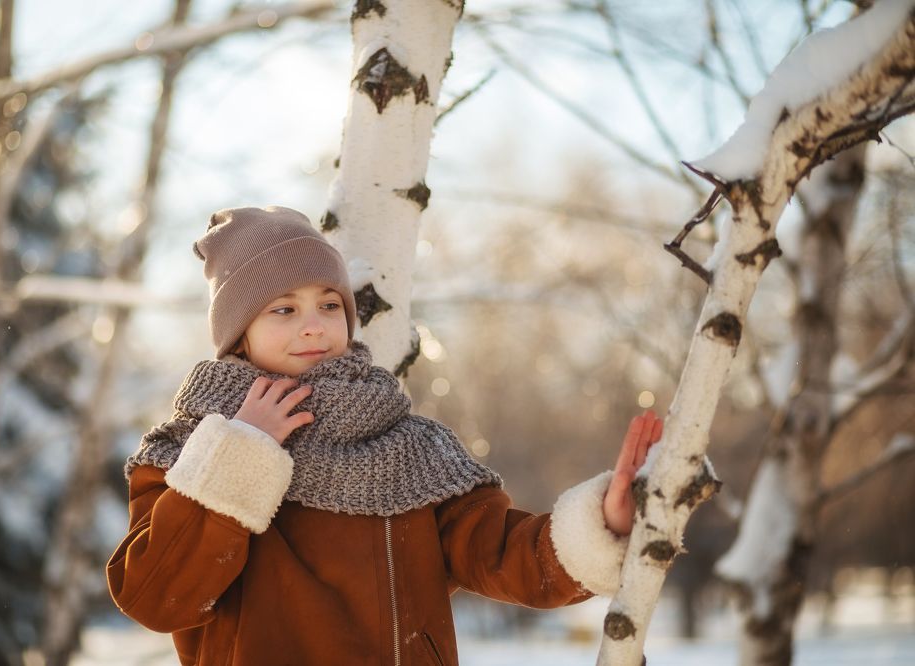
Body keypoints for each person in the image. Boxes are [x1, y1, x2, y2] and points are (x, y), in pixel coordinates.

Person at [106, 206, 663, 666]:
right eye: (282, 308)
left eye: (329, 304)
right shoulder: (188, 451)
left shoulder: (409, 448)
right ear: (238, 334)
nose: (312, 324)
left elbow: (504, 557)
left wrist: (602, 524)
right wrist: (241, 451)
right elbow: (156, 596)